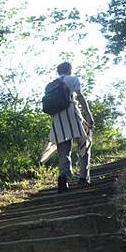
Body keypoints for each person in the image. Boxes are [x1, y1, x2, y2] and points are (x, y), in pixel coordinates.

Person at [49, 62, 95, 193]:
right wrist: (89, 115)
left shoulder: (52, 85)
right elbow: (80, 97)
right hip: (73, 115)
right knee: (84, 144)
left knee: (64, 151)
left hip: (57, 119)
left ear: (58, 71)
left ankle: (63, 177)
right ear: (69, 70)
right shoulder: (73, 79)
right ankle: (83, 178)